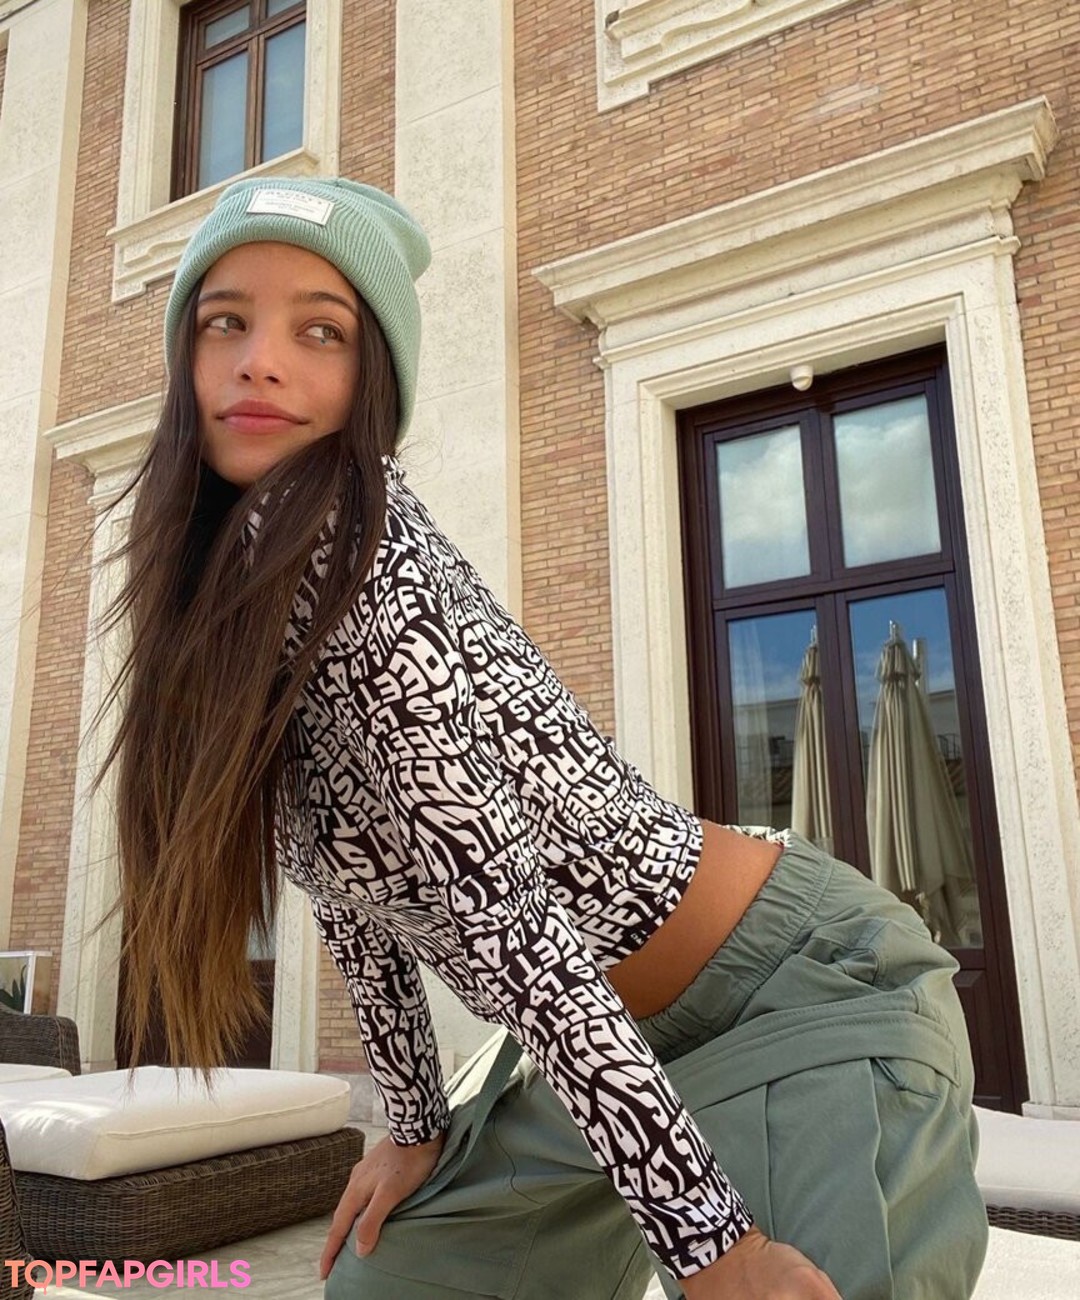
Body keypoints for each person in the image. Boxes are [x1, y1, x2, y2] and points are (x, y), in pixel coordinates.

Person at [102, 175, 988, 1300]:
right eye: (225, 321)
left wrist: (713, 1248)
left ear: (374, 382)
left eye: (319, 331)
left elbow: (515, 933)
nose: (260, 360)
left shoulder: (367, 562)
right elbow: (353, 895)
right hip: (596, 1037)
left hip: (795, 984)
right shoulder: (237, 596)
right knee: (386, 1286)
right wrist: (414, 1123)